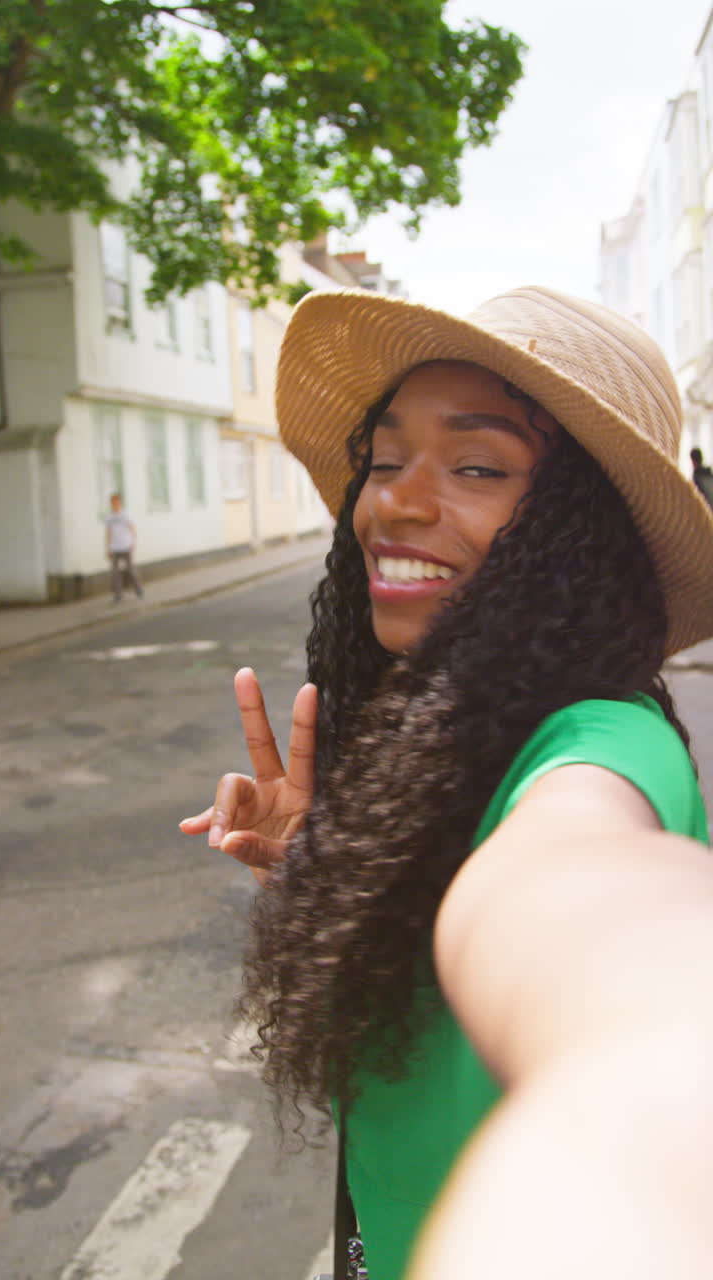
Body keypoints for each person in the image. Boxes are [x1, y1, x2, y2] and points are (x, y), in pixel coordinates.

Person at [181, 286, 713, 1279]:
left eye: (477, 466)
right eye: (385, 462)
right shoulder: (452, 728)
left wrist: (651, 1055)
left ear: (586, 529)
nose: (394, 501)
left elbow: (583, 890)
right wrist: (332, 875)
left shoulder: (602, 744)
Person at [105, 492, 144, 602]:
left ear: (120, 503)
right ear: (111, 503)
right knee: (115, 572)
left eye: (117, 502)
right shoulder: (109, 516)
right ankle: (118, 594)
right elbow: (108, 533)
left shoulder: (125, 514)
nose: (115, 504)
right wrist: (107, 548)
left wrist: (133, 543)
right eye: (113, 502)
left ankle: (138, 589)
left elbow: (132, 528)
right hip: (114, 547)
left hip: (126, 545)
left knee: (130, 570)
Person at [690, 445, 713, 509]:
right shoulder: (709, 474)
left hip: (707, 509)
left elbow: (699, 498)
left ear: (693, 460)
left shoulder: (697, 476)